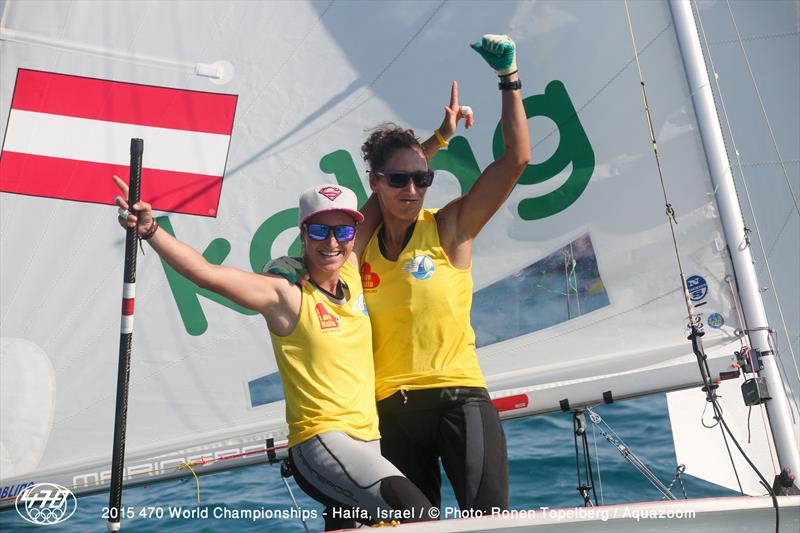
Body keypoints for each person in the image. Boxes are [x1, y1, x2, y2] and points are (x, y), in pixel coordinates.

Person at [112, 178, 432, 531]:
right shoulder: (285, 295)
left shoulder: (352, 272)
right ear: (303, 234)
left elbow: (390, 190)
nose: (331, 242)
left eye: (341, 232)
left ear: (354, 235)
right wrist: (151, 229)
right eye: (319, 231)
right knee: (416, 511)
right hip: (320, 442)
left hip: (368, 444)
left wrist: (438, 141)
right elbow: (205, 274)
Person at [356, 34, 530, 512]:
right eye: (398, 180)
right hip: (390, 411)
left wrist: (508, 79)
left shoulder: (451, 227)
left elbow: (515, 162)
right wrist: (434, 141)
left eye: (422, 179)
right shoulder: (358, 246)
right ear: (375, 183)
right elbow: (367, 215)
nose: (413, 189)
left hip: (460, 400)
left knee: (487, 522)